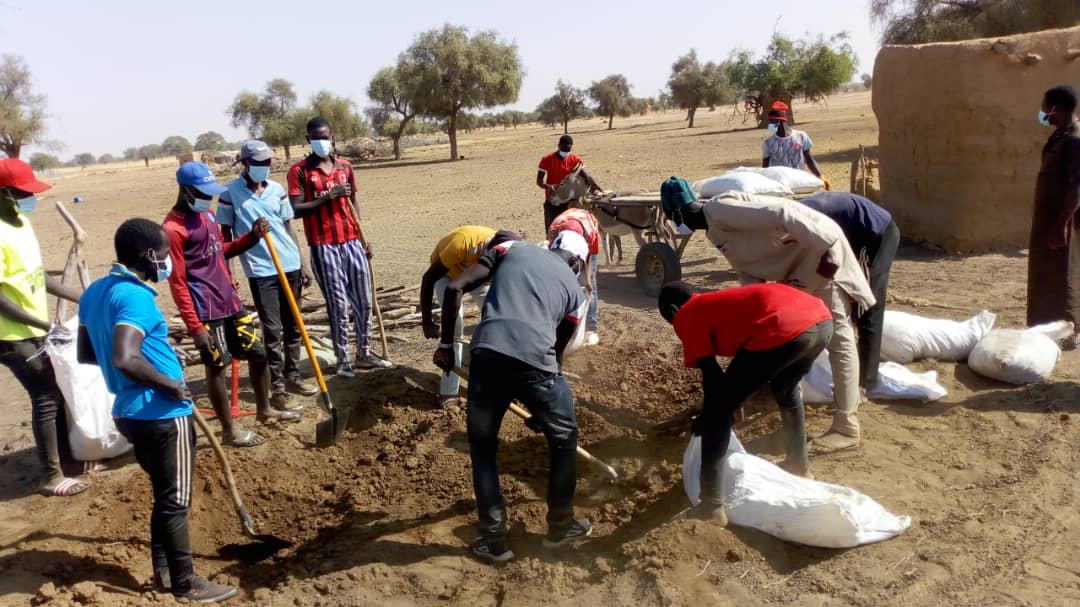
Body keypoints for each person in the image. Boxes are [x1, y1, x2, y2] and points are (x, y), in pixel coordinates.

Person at [78, 218, 237, 603]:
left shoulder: (95, 292)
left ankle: (164, 571)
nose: (169, 261)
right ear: (149, 254)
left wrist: (156, 357)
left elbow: (88, 353)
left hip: (128, 413)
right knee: (176, 500)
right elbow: (123, 357)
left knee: (165, 495)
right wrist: (169, 383)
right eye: (165, 254)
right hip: (162, 414)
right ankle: (186, 583)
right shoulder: (135, 297)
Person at [661, 189, 875, 454]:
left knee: (839, 341)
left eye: (673, 219)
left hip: (820, 255)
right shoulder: (714, 230)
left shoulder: (720, 209)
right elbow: (749, 271)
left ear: (678, 213)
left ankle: (846, 427)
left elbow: (782, 212)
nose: (677, 226)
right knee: (786, 339)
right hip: (797, 271)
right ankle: (791, 418)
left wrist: (826, 248)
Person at [433, 232, 590, 562]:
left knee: (483, 447)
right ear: (576, 262)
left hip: (487, 358)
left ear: (554, 247)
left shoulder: (511, 248)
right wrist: (544, 409)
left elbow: (453, 288)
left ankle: (495, 541)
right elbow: (555, 356)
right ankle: (560, 528)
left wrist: (446, 345)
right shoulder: (577, 294)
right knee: (564, 440)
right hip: (538, 368)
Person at [658, 281, 833, 524]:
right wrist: (735, 400)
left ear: (673, 311)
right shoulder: (716, 303)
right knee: (786, 390)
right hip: (821, 321)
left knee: (717, 412)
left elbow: (712, 374)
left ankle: (711, 507)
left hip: (782, 327)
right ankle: (799, 465)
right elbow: (743, 364)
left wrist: (716, 413)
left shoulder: (687, 314)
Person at [164, 161, 298, 448]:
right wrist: (195, 327)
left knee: (258, 353)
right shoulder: (173, 229)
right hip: (206, 309)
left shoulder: (207, 215)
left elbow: (220, 251)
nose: (208, 197)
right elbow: (177, 283)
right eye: (203, 192)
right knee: (217, 366)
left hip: (230, 301)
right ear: (186, 191)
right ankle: (229, 431)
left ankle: (264, 410)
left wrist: (251, 237)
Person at [0, 158, 87, 497]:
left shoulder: (21, 222)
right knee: (45, 393)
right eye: (22, 193)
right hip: (9, 333)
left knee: (55, 386)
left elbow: (38, 277)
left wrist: (82, 296)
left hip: (32, 328)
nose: (29, 199)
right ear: (3, 193)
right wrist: (43, 323)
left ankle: (68, 460)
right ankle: (51, 475)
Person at [288, 117, 391, 377]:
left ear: (332, 137)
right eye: (315, 138)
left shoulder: (345, 166)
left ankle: (364, 353)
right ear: (308, 139)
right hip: (324, 245)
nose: (321, 142)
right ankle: (343, 359)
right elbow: (295, 209)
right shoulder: (300, 171)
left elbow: (354, 202)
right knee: (338, 304)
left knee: (364, 301)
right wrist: (327, 197)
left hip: (352, 241)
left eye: (324, 137)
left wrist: (362, 236)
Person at [218, 140, 317, 411]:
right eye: (259, 163)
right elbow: (225, 237)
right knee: (272, 330)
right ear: (245, 164)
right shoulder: (230, 193)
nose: (265, 167)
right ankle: (278, 388)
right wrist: (229, 274)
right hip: (261, 270)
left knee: (294, 325)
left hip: (289, 263)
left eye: (267, 163)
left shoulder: (276, 189)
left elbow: (288, 226)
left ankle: (293, 376)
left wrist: (302, 263)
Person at [799, 192, 900, 388]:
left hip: (875, 235)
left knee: (866, 303)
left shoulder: (798, 223)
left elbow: (822, 263)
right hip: (848, 235)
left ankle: (866, 380)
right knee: (839, 297)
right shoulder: (786, 221)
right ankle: (852, 357)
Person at [420, 226, 521, 406]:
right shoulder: (462, 243)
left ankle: (504, 385)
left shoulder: (509, 256)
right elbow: (429, 278)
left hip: (478, 278)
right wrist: (427, 322)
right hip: (448, 276)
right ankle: (449, 392)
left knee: (500, 322)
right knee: (454, 328)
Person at [1028, 85, 1080, 345]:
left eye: (1044, 107)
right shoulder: (1060, 136)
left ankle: (1067, 332)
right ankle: (1044, 328)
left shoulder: (1075, 140)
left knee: (1063, 277)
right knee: (1045, 276)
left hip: (1062, 221)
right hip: (1048, 220)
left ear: (1056, 109)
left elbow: (1076, 188)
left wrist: (1061, 225)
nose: (1042, 112)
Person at [547, 207, 601, 345]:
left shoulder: (589, 234)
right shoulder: (554, 232)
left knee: (590, 286)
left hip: (589, 238)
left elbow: (588, 265)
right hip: (565, 231)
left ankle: (591, 329)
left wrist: (588, 282)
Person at [537, 135, 603, 232]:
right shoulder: (547, 159)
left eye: (568, 149)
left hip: (569, 203)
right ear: (558, 146)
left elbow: (587, 177)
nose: (566, 151)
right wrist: (549, 187)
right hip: (552, 201)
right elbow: (539, 181)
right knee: (551, 231)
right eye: (564, 148)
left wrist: (600, 190)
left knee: (568, 230)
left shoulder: (574, 159)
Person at [762, 104, 829, 189]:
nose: (769, 125)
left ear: (780, 121)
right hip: (780, 185)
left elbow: (809, 160)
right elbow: (765, 167)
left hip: (798, 182)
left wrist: (821, 176)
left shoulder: (801, 136)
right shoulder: (768, 143)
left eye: (772, 121)